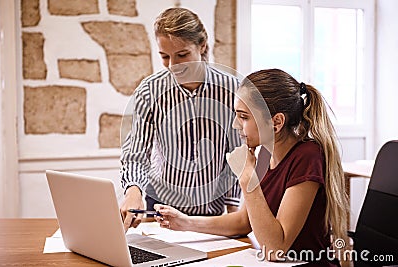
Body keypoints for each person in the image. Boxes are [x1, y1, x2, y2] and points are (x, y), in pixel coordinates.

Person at [154, 69, 349, 266]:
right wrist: (185, 222)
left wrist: (246, 177)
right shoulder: (265, 152)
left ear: (276, 122)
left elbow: (275, 249)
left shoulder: (307, 156)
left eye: (244, 117)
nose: (235, 125)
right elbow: (243, 221)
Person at [120, 7, 241, 231]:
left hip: (211, 212)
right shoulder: (150, 91)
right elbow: (136, 153)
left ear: (202, 45)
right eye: (165, 56)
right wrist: (133, 191)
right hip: (159, 207)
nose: (173, 65)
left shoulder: (231, 90)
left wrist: (236, 215)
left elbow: (237, 155)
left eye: (182, 55)